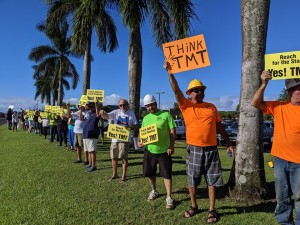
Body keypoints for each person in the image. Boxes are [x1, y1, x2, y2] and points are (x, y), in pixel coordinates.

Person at [165, 62, 234, 223]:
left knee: (212, 179)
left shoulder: (211, 107)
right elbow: (175, 90)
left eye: (202, 90)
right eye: (196, 90)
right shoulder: (186, 106)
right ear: (189, 93)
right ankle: (194, 206)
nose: (200, 92)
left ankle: (212, 209)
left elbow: (219, 127)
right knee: (192, 179)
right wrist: (170, 73)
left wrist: (228, 143)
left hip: (211, 149)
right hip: (194, 149)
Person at [251, 71, 300, 225]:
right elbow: (255, 103)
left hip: (299, 162)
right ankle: (285, 222)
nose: (299, 91)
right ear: (289, 91)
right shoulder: (278, 106)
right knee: (282, 196)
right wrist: (264, 83)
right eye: (296, 88)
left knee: (299, 197)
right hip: (280, 160)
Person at [139, 94, 176, 209]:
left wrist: (171, 146)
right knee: (150, 173)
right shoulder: (146, 118)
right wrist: (141, 141)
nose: (150, 108)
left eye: (151, 105)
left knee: (166, 174)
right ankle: (154, 190)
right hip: (150, 150)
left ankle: (169, 197)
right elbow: (143, 133)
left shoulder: (166, 115)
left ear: (155, 103)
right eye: (147, 106)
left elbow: (172, 132)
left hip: (164, 151)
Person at [100, 98, 138, 183]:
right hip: (114, 139)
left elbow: (136, 125)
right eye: (121, 105)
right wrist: (103, 113)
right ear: (118, 106)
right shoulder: (116, 112)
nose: (122, 106)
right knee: (114, 157)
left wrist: (130, 127)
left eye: (124, 105)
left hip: (125, 139)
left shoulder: (131, 113)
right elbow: (107, 116)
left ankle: (123, 176)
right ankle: (115, 174)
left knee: (124, 158)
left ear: (127, 105)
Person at [82, 100, 101, 172]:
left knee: (92, 151)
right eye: (89, 106)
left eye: (92, 106)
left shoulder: (96, 113)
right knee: (89, 151)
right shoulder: (88, 113)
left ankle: (93, 166)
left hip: (92, 134)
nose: (90, 107)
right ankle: (90, 164)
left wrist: (96, 105)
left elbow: (98, 115)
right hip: (86, 134)